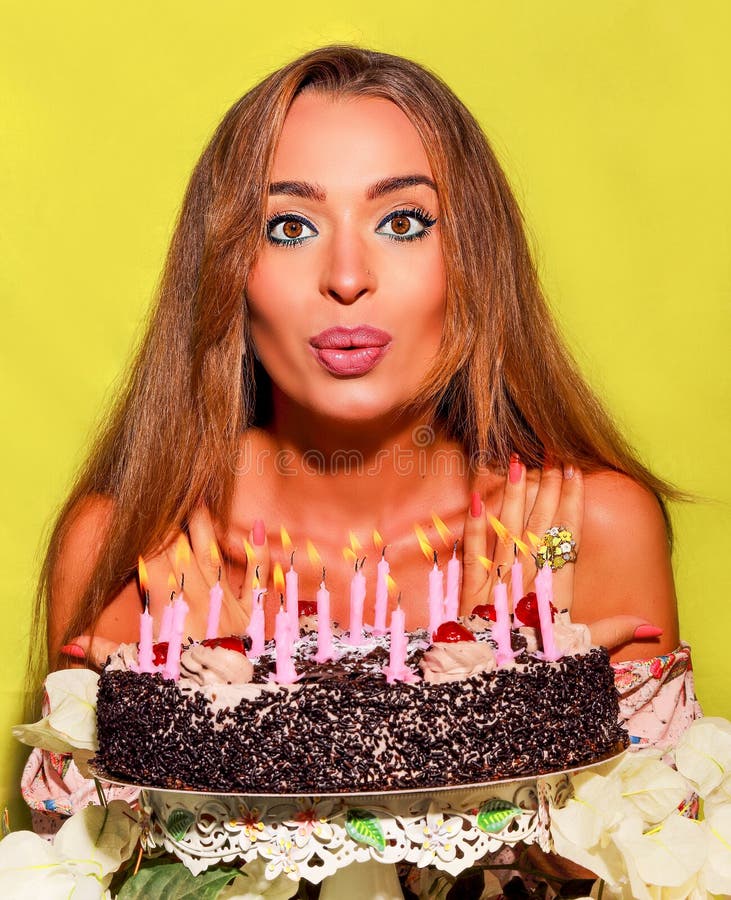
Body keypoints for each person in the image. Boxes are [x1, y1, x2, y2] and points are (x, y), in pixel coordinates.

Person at [24, 46, 699, 873]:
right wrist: (204, 719)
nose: (346, 278)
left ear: (474, 261)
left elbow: (650, 873)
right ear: (228, 270)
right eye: (289, 227)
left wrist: (522, 678)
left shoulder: (584, 532)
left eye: (403, 222)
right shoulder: (130, 551)